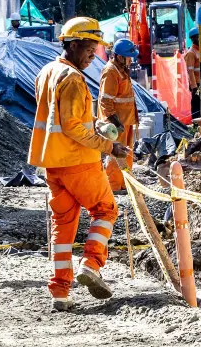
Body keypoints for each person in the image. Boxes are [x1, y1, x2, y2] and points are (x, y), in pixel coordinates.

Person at [28, 17, 129, 311]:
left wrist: (99, 123)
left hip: (53, 164)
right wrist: (111, 146)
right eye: (89, 48)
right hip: (79, 163)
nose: (93, 55)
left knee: (63, 226)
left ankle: (60, 291)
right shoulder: (72, 79)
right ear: (73, 44)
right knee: (106, 210)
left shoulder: (47, 72)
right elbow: (72, 126)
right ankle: (92, 264)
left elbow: (62, 121)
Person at [99, 38, 139, 193]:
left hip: (125, 120)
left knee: (126, 152)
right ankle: (113, 185)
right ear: (119, 57)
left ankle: (124, 183)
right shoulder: (110, 72)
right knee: (116, 153)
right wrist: (115, 122)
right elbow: (105, 101)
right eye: (128, 57)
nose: (130, 60)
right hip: (116, 123)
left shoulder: (121, 70)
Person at [184, 27, 201, 114]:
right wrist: (194, 87)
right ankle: (196, 123)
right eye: (198, 36)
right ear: (193, 38)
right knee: (196, 104)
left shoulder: (200, 50)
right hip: (197, 84)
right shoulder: (191, 53)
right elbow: (190, 72)